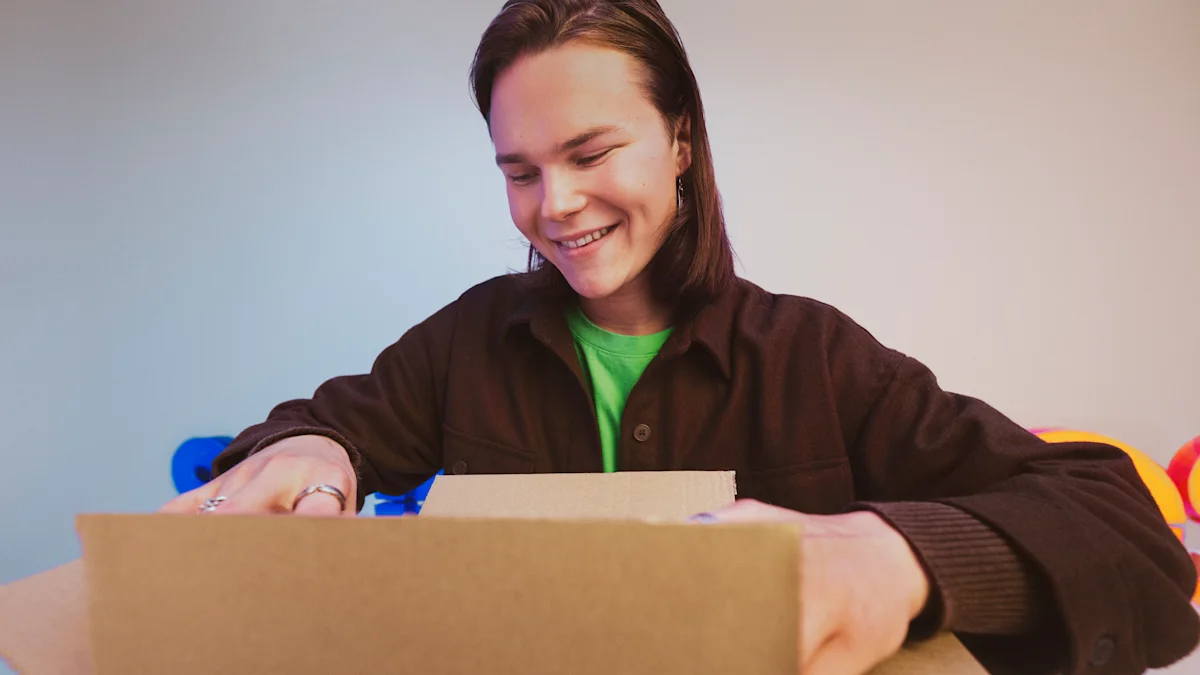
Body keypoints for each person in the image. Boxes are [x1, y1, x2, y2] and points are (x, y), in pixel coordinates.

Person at [162, 1, 1200, 673]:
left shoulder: (817, 359)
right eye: (518, 171)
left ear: (680, 143)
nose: (554, 205)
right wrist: (312, 452)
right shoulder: (465, 342)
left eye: (589, 151)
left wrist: (901, 560)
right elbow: (322, 430)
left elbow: (1129, 535)